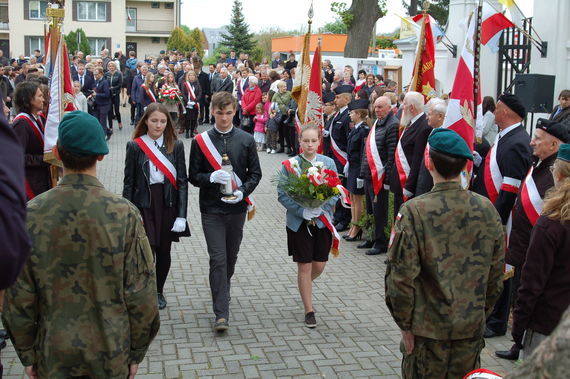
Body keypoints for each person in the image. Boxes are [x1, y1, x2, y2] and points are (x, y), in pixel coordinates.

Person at [1, 111, 160, 378]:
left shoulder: (31, 213)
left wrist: (28, 354)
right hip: (112, 353)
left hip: (53, 353)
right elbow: (142, 293)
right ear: (101, 155)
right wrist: (135, 353)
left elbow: (19, 296)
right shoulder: (124, 214)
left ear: (58, 153)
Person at [385, 128, 505, 378]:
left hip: (427, 334)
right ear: (464, 166)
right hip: (469, 330)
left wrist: (406, 326)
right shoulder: (487, 209)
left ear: (428, 162)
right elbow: (496, 276)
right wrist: (479, 315)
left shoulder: (414, 211)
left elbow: (400, 278)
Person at [495, 118, 568, 361]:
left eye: (538, 138)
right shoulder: (538, 165)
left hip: (537, 255)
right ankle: (519, 343)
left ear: (554, 144)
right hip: (525, 247)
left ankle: (519, 339)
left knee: (525, 294)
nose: (532, 142)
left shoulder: (551, 177)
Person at [188, 91, 262, 332]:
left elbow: (255, 174)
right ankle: (221, 313)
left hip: (237, 208)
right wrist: (210, 177)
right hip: (211, 208)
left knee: (230, 257)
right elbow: (193, 176)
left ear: (235, 112)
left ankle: (223, 288)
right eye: (219, 113)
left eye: (229, 113)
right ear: (212, 112)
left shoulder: (246, 139)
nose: (224, 118)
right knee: (217, 258)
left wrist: (243, 191)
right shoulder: (201, 141)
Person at [473, 93, 533, 338]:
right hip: (493, 211)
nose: (493, 113)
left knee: (503, 268)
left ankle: (498, 321)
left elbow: (510, 187)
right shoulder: (506, 136)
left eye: (496, 109)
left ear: (506, 112)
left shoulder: (518, 140)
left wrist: (495, 219)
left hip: (503, 217)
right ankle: (491, 313)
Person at [123, 103, 189, 310]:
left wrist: (182, 215)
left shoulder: (175, 146)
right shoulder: (135, 146)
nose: (158, 125)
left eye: (162, 121)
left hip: (167, 203)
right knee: (145, 251)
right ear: (146, 121)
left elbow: (182, 182)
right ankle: (145, 290)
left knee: (164, 250)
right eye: (154, 121)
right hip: (143, 203)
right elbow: (129, 182)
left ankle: (158, 291)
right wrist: (128, 213)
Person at [510, 143, 570, 359]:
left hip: (548, 327)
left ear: (560, 177)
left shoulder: (551, 224)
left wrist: (519, 327)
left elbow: (532, 283)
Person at [277, 123, 338, 328]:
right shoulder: (290, 165)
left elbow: (336, 190)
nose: (310, 144)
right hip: (298, 223)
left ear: (319, 141)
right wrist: (302, 211)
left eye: (313, 141)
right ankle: (309, 310)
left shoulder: (328, 163)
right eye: (306, 140)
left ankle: (305, 287)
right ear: (300, 141)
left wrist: (321, 208)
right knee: (304, 265)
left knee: (319, 264)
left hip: (321, 221)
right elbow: (283, 194)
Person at [359, 96, 399, 255]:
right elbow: (367, 151)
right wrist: (363, 173)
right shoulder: (377, 123)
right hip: (370, 174)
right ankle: (370, 237)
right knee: (369, 209)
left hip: (380, 177)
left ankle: (380, 242)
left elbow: (391, 155)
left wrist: (388, 179)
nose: (377, 110)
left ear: (389, 108)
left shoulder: (393, 125)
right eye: (375, 107)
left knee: (380, 211)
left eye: (380, 107)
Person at [389, 91, 431, 215]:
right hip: (399, 181)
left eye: (405, 104)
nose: (402, 107)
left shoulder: (424, 126)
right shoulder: (411, 123)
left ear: (412, 107)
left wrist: (409, 186)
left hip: (408, 183)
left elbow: (418, 160)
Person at [12, 80, 51, 199]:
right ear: (30, 99)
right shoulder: (22, 123)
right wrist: (44, 159)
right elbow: (17, 157)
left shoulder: (37, 118)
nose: (43, 100)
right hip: (30, 183)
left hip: (40, 179)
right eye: (39, 96)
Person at [343, 98, 370, 241]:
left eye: (352, 112)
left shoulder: (364, 130)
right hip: (353, 166)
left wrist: (361, 174)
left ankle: (357, 227)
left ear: (359, 114)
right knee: (352, 198)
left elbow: (363, 153)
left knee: (358, 199)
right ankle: (353, 226)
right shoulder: (356, 128)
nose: (349, 115)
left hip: (359, 168)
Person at [329, 85, 352, 231]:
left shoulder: (348, 115)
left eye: (338, 97)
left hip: (342, 158)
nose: (335, 100)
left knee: (342, 190)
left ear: (347, 98)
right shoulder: (338, 114)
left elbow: (348, 139)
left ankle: (344, 219)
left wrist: (347, 160)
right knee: (337, 188)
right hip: (334, 158)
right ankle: (337, 217)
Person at [415, 98, 447, 197]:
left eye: (429, 114)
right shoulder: (433, 131)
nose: (426, 118)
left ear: (440, 116)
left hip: (433, 189)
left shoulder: (444, 137)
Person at [89, 67, 112, 140]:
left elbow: (107, 94)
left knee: (102, 121)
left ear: (101, 74)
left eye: (96, 74)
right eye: (94, 74)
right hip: (96, 104)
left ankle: (104, 135)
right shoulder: (96, 81)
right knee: (96, 120)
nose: (95, 76)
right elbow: (95, 89)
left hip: (104, 105)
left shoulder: (105, 82)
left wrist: (97, 94)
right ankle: (108, 132)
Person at [181, 70, 201, 138]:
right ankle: (187, 132)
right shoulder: (185, 84)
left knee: (194, 119)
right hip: (187, 105)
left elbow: (199, 93)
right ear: (188, 76)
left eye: (193, 75)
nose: (191, 77)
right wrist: (187, 101)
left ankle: (192, 132)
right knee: (187, 119)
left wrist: (195, 101)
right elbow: (183, 93)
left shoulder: (197, 84)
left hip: (194, 105)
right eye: (190, 75)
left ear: (195, 76)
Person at [105, 61, 123, 130]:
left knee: (117, 110)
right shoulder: (106, 74)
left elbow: (120, 84)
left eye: (112, 66)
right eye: (110, 66)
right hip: (109, 95)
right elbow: (105, 83)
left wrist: (113, 88)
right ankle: (110, 126)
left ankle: (119, 122)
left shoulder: (118, 74)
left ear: (115, 67)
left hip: (116, 94)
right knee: (109, 111)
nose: (111, 67)